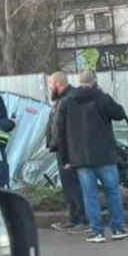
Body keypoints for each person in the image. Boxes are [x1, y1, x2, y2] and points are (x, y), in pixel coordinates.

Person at [57, 69, 128, 243]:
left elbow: (61, 131)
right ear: (95, 81)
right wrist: (104, 94)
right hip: (105, 155)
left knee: (90, 195)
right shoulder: (102, 98)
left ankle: (97, 232)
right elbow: (120, 114)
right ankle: (118, 229)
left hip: (80, 158)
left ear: (79, 81)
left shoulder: (67, 102)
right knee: (112, 192)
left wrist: (66, 158)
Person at [45, 72, 89, 233]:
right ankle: (74, 218)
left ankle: (82, 220)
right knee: (69, 187)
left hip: (70, 152)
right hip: (63, 150)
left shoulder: (70, 99)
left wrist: (68, 155)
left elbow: (69, 129)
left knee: (75, 186)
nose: (49, 87)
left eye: (50, 84)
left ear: (57, 83)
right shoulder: (62, 99)